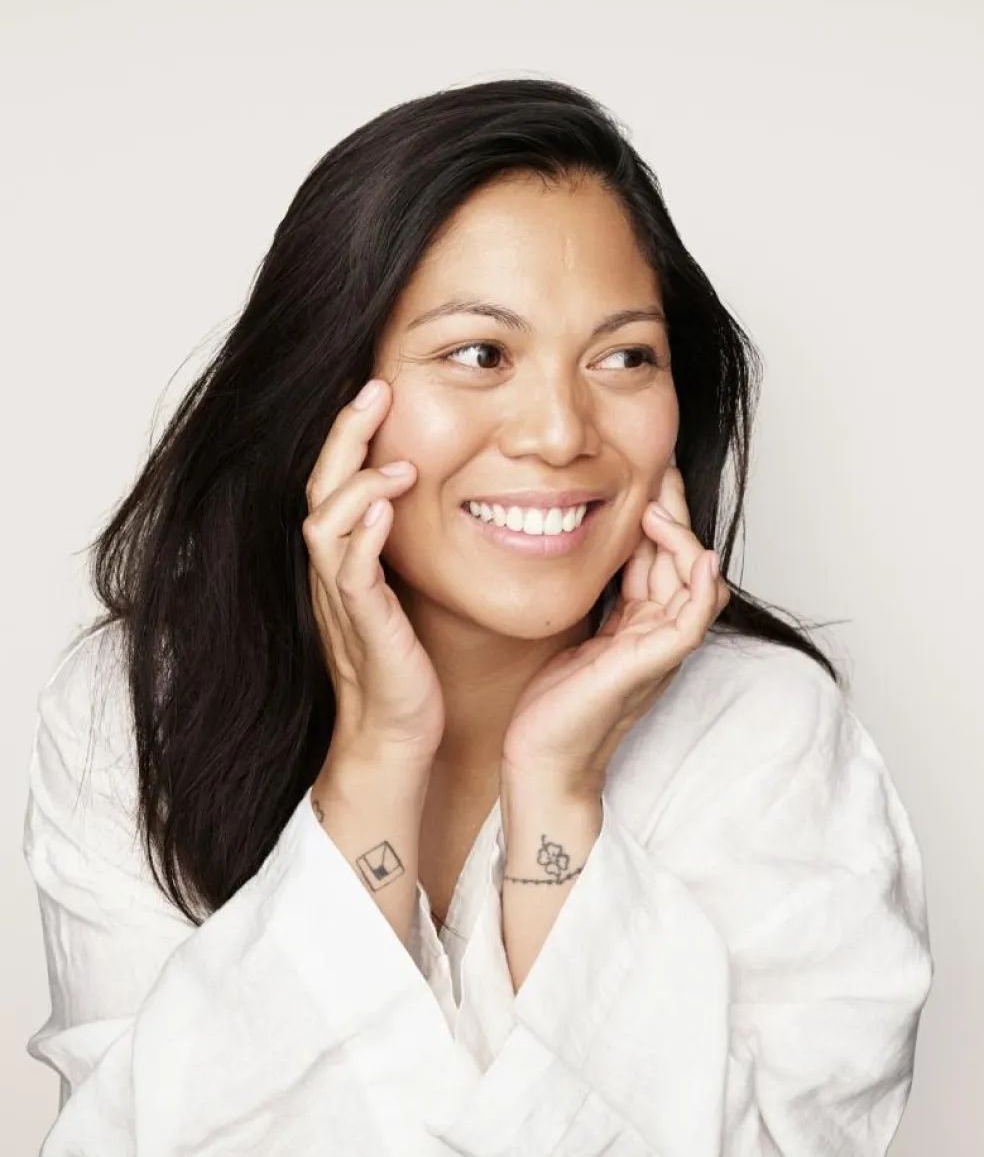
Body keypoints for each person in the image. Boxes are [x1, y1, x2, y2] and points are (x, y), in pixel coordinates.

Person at [23, 77, 933, 1156]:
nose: (560, 432)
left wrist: (558, 790)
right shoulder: (136, 710)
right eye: (479, 354)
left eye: (624, 357)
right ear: (329, 390)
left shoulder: (765, 730)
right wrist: (376, 757)